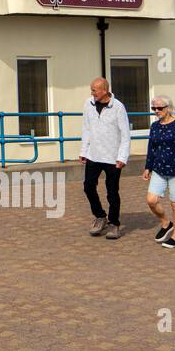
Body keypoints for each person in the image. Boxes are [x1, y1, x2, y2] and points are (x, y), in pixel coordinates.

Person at [79, 77, 130, 239]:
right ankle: (100, 216)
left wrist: (122, 157)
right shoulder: (88, 104)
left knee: (112, 192)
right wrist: (83, 151)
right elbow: (86, 128)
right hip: (94, 155)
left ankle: (114, 224)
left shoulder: (118, 107)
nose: (92, 93)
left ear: (104, 90)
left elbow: (125, 134)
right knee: (88, 186)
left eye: (94, 90)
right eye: (91, 89)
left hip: (113, 157)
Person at [143, 94, 175, 249]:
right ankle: (165, 222)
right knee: (151, 200)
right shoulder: (155, 126)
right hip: (159, 169)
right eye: (154, 108)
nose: (156, 111)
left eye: (160, 108)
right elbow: (151, 148)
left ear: (169, 108)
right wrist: (148, 167)